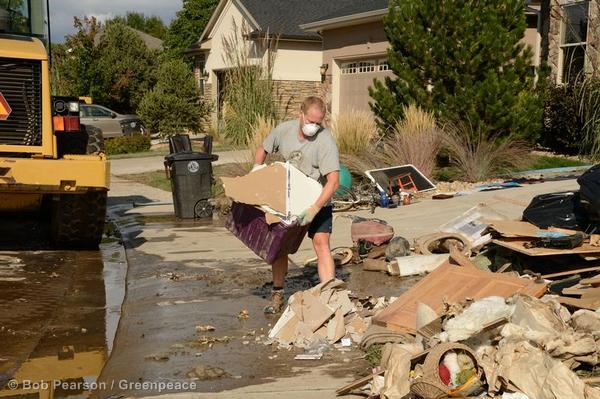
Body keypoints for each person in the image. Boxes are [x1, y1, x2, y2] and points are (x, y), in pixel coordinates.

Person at [254, 96, 340, 314]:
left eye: (318, 123)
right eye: (310, 121)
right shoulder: (284, 131)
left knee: (321, 242)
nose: (314, 126)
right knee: (280, 246)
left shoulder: (325, 141)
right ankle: (277, 294)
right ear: (300, 114)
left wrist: (314, 209)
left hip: (317, 198)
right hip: (289, 198)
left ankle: (329, 295)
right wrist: (256, 172)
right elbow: (263, 149)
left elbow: (333, 182)